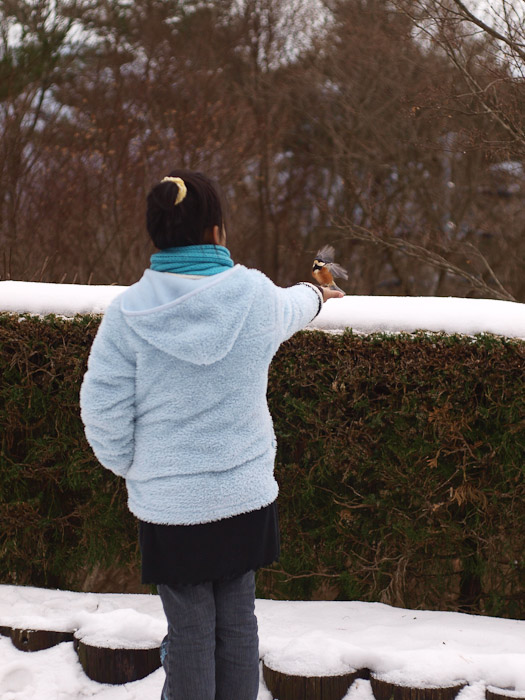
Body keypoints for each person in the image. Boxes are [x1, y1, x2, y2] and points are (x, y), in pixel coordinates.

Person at [79, 169, 343, 700]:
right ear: (217, 231)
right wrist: (319, 291)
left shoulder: (128, 313)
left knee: (191, 630)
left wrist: (140, 469)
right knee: (239, 622)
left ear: (157, 235)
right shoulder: (253, 295)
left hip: (172, 507)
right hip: (244, 497)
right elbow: (296, 306)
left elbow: (102, 413)